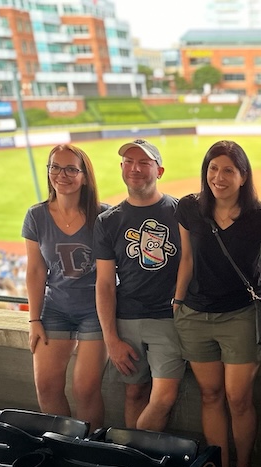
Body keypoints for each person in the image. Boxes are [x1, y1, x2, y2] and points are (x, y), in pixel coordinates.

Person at [174, 140, 261, 467]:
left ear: (243, 176)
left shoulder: (259, 217)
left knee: (238, 398)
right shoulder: (189, 208)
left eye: (228, 170)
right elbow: (186, 259)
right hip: (195, 315)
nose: (219, 177)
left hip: (239, 316)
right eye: (213, 169)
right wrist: (177, 300)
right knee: (211, 395)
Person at [95, 139, 185, 432]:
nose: (135, 168)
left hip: (169, 319)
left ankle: (130, 454)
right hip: (127, 319)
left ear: (159, 170)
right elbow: (105, 284)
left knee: (164, 397)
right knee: (134, 392)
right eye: (129, 162)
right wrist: (111, 340)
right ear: (121, 168)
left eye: (144, 163)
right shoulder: (108, 221)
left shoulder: (180, 211)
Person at [22, 144, 107, 430]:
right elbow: (35, 270)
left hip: (96, 311)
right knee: (45, 386)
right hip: (55, 308)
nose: (62, 174)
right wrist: (34, 319)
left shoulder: (103, 216)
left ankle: (91, 453)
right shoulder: (36, 216)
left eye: (71, 168)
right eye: (55, 167)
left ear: (85, 176)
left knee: (85, 389)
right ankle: (65, 449)